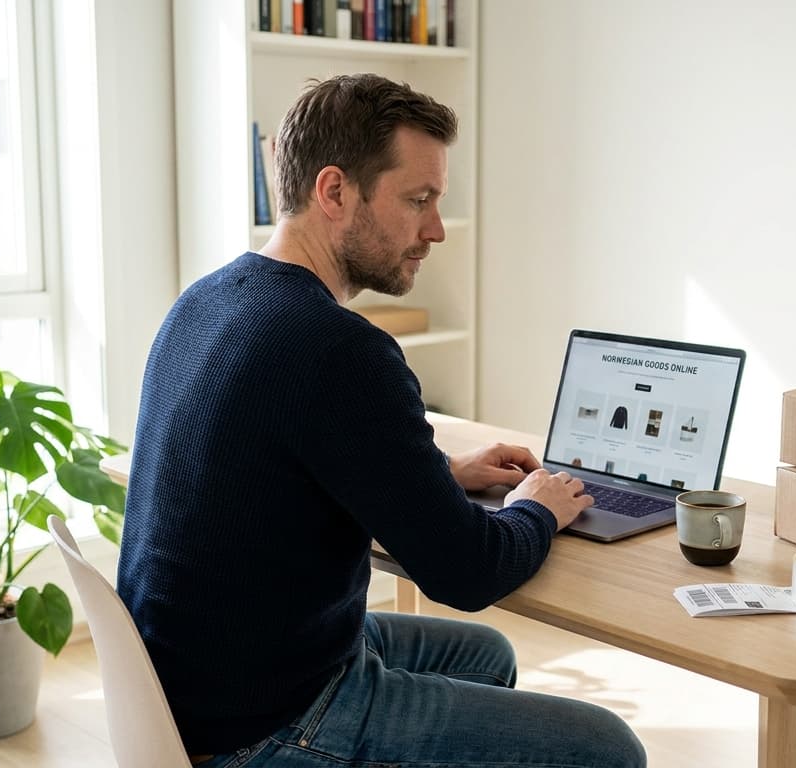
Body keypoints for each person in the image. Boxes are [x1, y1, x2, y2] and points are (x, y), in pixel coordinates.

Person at [118, 73, 646, 768]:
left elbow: (274, 471)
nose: (435, 230)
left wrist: (440, 477)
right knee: (609, 749)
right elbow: (467, 574)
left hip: (192, 685)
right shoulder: (338, 347)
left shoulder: (206, 301)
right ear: (334, 192)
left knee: (483, 655)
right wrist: (536, 509)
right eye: (418, 200)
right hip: (264, 722)